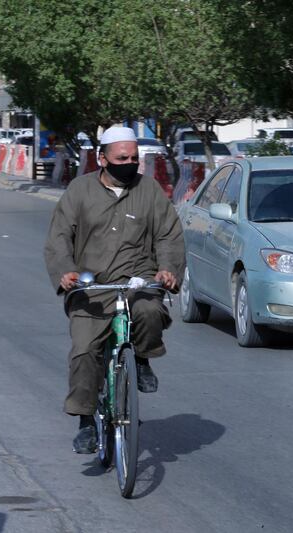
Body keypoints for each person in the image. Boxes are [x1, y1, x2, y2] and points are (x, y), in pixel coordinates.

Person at [44, 126, 185, 454]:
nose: (129, 163)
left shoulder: (149, 191)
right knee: (84, 350)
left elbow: (168, 236)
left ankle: (143, 359)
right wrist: (66, 272)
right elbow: (59, 237)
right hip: (91, 288)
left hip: (139, 282)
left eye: (134, 158)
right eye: (122, 158)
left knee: (150, 312)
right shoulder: (80, 191)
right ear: (102, 158)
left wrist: (167, 269)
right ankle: (85, 421)